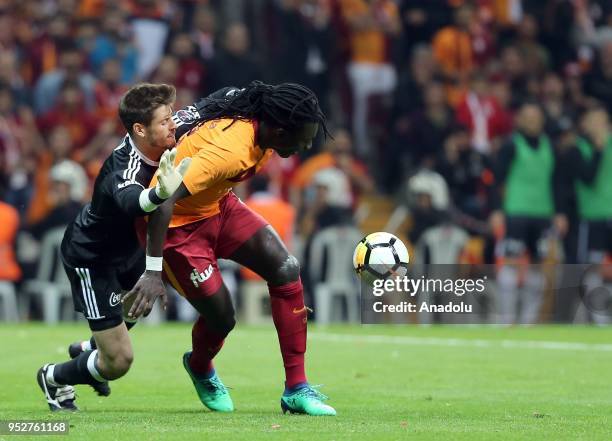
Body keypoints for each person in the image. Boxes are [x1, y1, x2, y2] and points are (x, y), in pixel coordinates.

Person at [126, 81, 337, 416]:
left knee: (285, 268)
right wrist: (153, 272)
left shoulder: (262, 126)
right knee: (223, 318)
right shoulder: (230, 151)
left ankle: (296, 389)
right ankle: (199, 366)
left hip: (217, 207)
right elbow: (161, 199)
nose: (307, 144)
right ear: (280, 132)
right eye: (304, 138)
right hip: (177, 228)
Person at [36, 83, 191, 411]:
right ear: (140, 129)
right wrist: (160, 193)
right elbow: (133, 200)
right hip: (93, 259)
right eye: (165, 121)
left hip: (128, 251)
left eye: (172, 117)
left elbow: (202, 111)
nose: (173, 124)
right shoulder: (123, 167)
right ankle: (53, 377)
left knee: (136, 308)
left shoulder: (165, 138)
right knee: (119, 361)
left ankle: (88, 349)